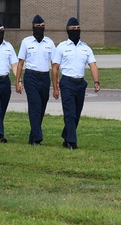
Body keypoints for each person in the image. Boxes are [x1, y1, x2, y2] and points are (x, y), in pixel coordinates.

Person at [51, 17, 100, 149]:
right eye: (73, 29)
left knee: (77, 113)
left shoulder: (86, 48)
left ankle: (67, 136)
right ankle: (71, 142)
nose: (76, 31)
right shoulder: (61, 47)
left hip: (80, 84)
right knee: (70, 113)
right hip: (67, 83)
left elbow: (93, 65)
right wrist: (55, 87)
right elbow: (55, 68)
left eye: (78, 29)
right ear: (68, 30)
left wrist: (96, 81)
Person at [15, 15, 54, 145]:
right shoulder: (26, 42)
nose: (40, 28)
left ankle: (32, 137)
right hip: (31, 76)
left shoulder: (49, 42)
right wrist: (18, 81)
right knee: (35, 106)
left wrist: (56, 84)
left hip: (44, 77)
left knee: (41, 107)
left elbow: (55, 64)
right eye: (37, 26)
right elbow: (20, 63)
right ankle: (37, 138)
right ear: (33, 27)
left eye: (42, 26)